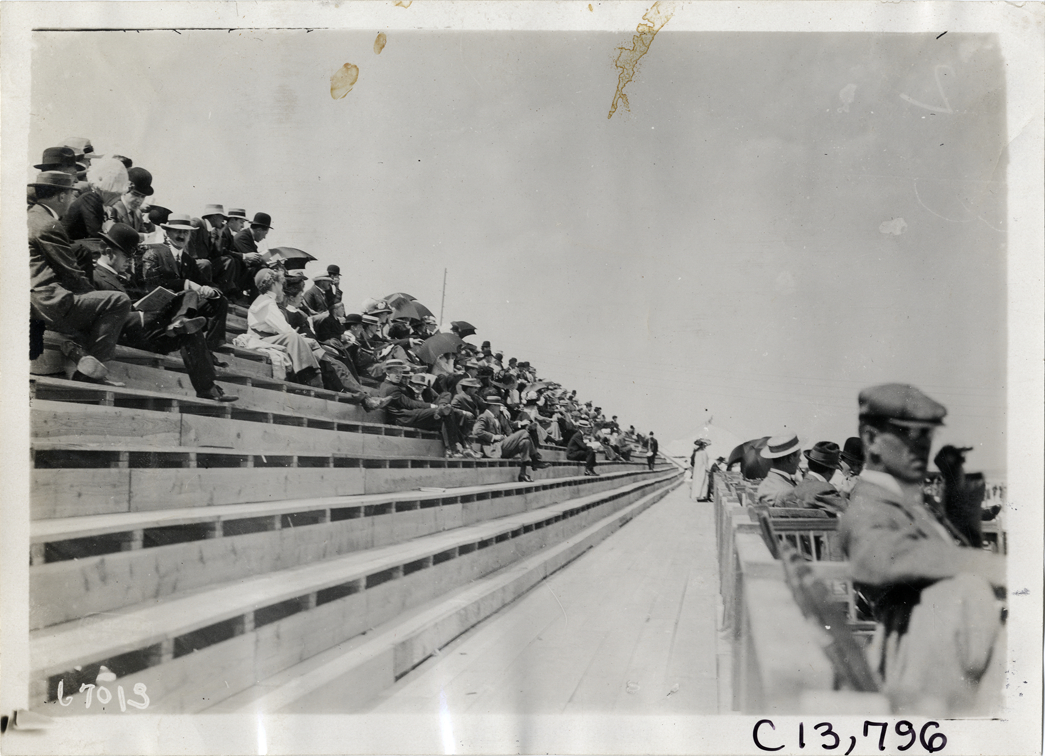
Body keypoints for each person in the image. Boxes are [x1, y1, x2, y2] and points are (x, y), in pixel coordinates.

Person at [839, 383, 1005, 715]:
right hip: (922, 659)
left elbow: (940, 556)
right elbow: (878, 558)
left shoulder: (905, 502)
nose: (920, 447)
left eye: (926, 436)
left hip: (949, 648)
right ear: (871, 440)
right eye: (907, 435)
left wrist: (961, 505)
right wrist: (993, 566)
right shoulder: (868, 505)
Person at [92, 223, 237, 402]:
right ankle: (179, 322)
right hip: (123, 334)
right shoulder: (95, 276)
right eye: (126, 256)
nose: (130, 261)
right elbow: (99, 318)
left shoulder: (120, 277)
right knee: (185, 309)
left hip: (145, 334)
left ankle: (207, 387)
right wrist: (143, 316)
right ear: (107, 251)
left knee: (189, 329)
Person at [28, 171, 131, 385]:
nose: (73, 200)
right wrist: (96, 299)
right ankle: (90, 373)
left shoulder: (30, 217)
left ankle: (80, 354)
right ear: (61, 197)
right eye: (72, 195)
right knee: (118, 301)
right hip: (48, 304)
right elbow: (71, 273)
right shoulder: (49, 225)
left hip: (35, 302)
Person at [140, 214, 229, 353]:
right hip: (159, 309)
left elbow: (205, 282)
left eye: (186, 232)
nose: (182, 236)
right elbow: (151, 283)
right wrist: (185, 283)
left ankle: (211, 346)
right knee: (191, 292)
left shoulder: (188, 260)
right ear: (167, 232)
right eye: (178, 231)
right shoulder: (154, 252)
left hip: (183, 307)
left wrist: (212, 291)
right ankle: (179, 323)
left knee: (220, 300)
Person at [379, 359, 473, 458]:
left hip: (410, 414)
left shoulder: (393, 385)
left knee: (445, 404)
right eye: (395, 372)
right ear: (387, 372)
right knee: (445, 412)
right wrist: (432, 406)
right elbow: (410, 403)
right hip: (403, 418)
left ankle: (454, 449)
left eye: (401, 372)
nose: (399, 375)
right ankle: (457, 447)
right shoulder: (391, 388)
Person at [472, 393, 548, 482]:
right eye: (498, 406)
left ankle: (522, 474)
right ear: (492, 406)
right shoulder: (484, 416)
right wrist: (494, 437)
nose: (500, 409)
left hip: (500, 447)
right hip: (493, 448)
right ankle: (534, 459)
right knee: (523, 432)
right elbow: (477, 431)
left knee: (525, 442)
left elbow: (508, 425)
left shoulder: (496, 417)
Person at [63, 157, 128, 242]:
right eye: (116, 194)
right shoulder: (90, 199)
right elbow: (95, 233)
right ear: (106, 191)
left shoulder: (95, 200)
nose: (118, 198)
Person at [788, 441, 847, 515]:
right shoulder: (824, 490)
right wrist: (846, 492)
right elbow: (852, 513)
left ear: (809, 464)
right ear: (831, 471)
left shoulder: (796, 488)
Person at [755, 433, 801, 506]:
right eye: (799, 456)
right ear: (791, 458)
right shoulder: (787, 491)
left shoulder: (766, 483)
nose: (800, 460)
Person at [108, 167, 153, 233]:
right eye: (135, 194)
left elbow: (144, 233)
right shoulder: (112, 208)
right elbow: (114, 234)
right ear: (125, 190)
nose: (139, 200)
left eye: (143, 197)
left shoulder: (138, 213)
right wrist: (146, 237)